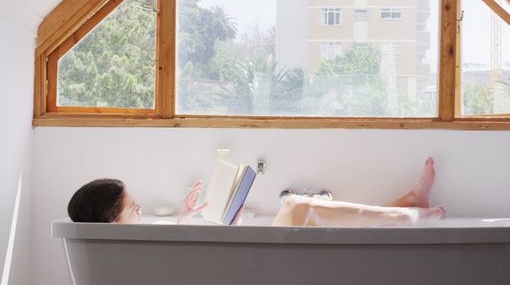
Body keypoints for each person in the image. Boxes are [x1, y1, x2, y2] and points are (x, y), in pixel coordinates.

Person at [67, 158, 445, 226]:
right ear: (109, 222)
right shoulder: (125, 251)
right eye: (134, 209)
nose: (141, 210)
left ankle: (406, 206)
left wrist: (185, 215)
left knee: (304, 209)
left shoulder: (130, 246)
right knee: (299, 208)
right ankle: (406, 212)